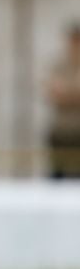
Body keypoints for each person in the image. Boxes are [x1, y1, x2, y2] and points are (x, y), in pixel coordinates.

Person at [46, 23, 80, 179]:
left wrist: (67, 93)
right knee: (57, 177)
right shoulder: (58, 66)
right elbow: (54, 94)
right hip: (61, 131)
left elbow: (62, 93)